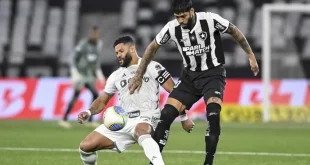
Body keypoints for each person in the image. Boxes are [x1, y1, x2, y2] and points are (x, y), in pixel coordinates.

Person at [128, 0, 259, 165]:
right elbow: (152, 47)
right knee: (166, 115)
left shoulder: (210, 20)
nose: (181, 21)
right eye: (177, 17)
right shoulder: (172, 27)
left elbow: (234, 31)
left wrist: (251, 55)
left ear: (191, 11)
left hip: (213, 75)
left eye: (183, 16)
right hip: (189, 78)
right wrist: (139, 74)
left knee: (213, 114)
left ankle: (208, 163)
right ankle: (155, 162)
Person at [77, 36, 194, 165]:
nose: (118, 55)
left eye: (121, 51)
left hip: (148, 117)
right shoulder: (115, 76)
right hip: (123, 120)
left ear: (132, 48)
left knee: (141, 131)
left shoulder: (153, 67)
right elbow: (102, 101)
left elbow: (175, 92)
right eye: (116, 53)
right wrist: (88, 112)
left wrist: (184, 118)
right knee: (85, 147)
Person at [58, 26, 105, 129]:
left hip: (89, 75)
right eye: (94, 34)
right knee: (76, 94)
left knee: (95, 94)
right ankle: (64, 119)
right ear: (91, 34)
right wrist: (74, 73)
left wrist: (99, 75)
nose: (95, 36)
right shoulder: (84, 43)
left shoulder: (99, 45)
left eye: (97, 34)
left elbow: (96, 62)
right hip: (80, 73)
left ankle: (91, 120)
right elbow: (74, 57)